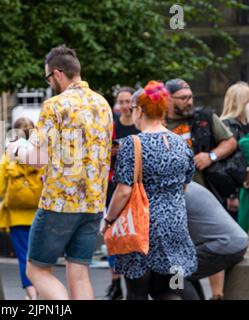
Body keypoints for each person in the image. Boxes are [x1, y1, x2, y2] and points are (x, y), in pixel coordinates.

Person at [8, 45, 113, 300]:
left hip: (59, 202)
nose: (50, 83)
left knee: (36, 270)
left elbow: (36, 158)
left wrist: (16, 150)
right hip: (94, 203)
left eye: (48, 78)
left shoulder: (55, 105)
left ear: (57, 73)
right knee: (79, 272)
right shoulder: (103, 105)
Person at [102, 82, 197, 300]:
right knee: (172, 288)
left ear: (141, 111)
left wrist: (109, 220)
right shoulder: (181, 143)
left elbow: (124, 191)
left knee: (137, 292)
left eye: (133, 109)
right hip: (175, 228)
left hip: (142, 230)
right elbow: (185, 183)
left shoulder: (131, 144)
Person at [165, 78, 240, 300]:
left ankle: (215, 295)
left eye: (190, 97)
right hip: (179, 206)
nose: (189, 102)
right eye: (183, 97)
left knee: (176, 269)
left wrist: (211, 156)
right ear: (168, 99)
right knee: (178, 268)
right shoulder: (159, 125)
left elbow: (230, 142)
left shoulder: (204, 118)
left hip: (202, 198)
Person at [0, 117, 42, 300]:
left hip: (16, 217)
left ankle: (32, 296)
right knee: (39, 258)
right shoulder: (40, 156)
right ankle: (40, 291)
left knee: (24, 258)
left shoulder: (8, 156)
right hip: (40, 215)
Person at [104, 86, 140, 300]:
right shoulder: (113, 127)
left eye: (129, 102)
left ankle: (132, 282)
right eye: (122, 102)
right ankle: (115, 281)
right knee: (112, 235)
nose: (125, 106)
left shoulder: (140, 127)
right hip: (114, 185)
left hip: (136, 187)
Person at [220, 82, 249, 229]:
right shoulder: (228, 126)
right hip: (236, 192)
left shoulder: (244, 125)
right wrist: (232, 195)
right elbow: (227, 165)